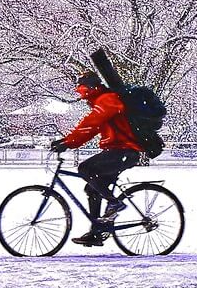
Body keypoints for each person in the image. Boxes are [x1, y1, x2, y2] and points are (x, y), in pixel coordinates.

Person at [50, 70, 143, 247]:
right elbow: (91, 129)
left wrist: (68, 143)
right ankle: (97, 232)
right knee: (93, 188)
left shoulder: (107, 100)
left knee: (85, 169)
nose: (82, 95)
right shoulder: (101, 101)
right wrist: (66, 141)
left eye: (84, 90)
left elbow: (90, 124)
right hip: (118, 150)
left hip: (124, 150)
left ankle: (115, 204)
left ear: (92, 87)